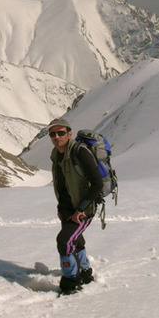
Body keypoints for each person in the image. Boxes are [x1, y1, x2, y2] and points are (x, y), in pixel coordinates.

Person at [47, 118, 104, 295]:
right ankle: (85, 273)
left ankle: (71, 280)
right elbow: (62, 185)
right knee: (75, 240)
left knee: (64, 241)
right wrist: (61, 207)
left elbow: (97, 184)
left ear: (69, 133)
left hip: (83, 209)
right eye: (53, 134)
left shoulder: (80, 152)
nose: (57, 137)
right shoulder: (56, 154)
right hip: (66, 208)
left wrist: (81, 209)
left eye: (61, 132)